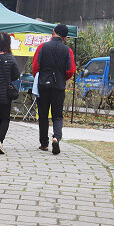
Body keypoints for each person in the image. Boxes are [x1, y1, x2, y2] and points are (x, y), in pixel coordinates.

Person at [32, 23, 76, 155]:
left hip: (43, 86)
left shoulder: (42, 47)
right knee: (57, 115)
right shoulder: (67, 50)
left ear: (53, 32)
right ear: (65, 37)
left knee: (43, 115)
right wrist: (62, 78)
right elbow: (70, 70)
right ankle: (56, 137)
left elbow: (35, 66)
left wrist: (40, 77)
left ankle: (44, 144)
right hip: (59, 87)